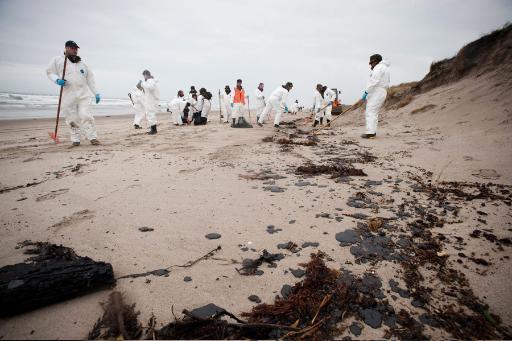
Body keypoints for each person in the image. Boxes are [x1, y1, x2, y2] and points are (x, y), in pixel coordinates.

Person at [46, 40, 101, 146]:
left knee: (85, 115)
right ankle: (75, 140)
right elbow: (49, 72)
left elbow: (90, 79)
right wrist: (57, 80)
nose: (75, 50)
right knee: (71, 118)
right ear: (66, 48)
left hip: (83, 95)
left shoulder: (82, 64)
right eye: (72, 48)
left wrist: (96, 93)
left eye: (76, 48)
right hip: (68, 95)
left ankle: (93, 137)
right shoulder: (58, 60)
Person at [361, 54, 390, 139]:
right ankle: (372, 132)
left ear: (376, 61)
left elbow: (374, 81)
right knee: (373, 112)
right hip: (379, 91)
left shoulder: (378, 67)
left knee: (370, 111)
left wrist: (366, 91)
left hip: (377, 91)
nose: (371, 65)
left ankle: (370, 133)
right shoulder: (384, 68)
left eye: (372, 62)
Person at [139, 70, 160, 135]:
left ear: (145, 75)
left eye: (144, 75)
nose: (144, 77)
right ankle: (153, 129)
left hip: (151, 100)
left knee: (150, 114)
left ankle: (154, 130)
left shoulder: (150, 80)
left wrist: (142, 84)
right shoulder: (151, 81)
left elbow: (150, 88)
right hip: (150, 100)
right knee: (150, 114)